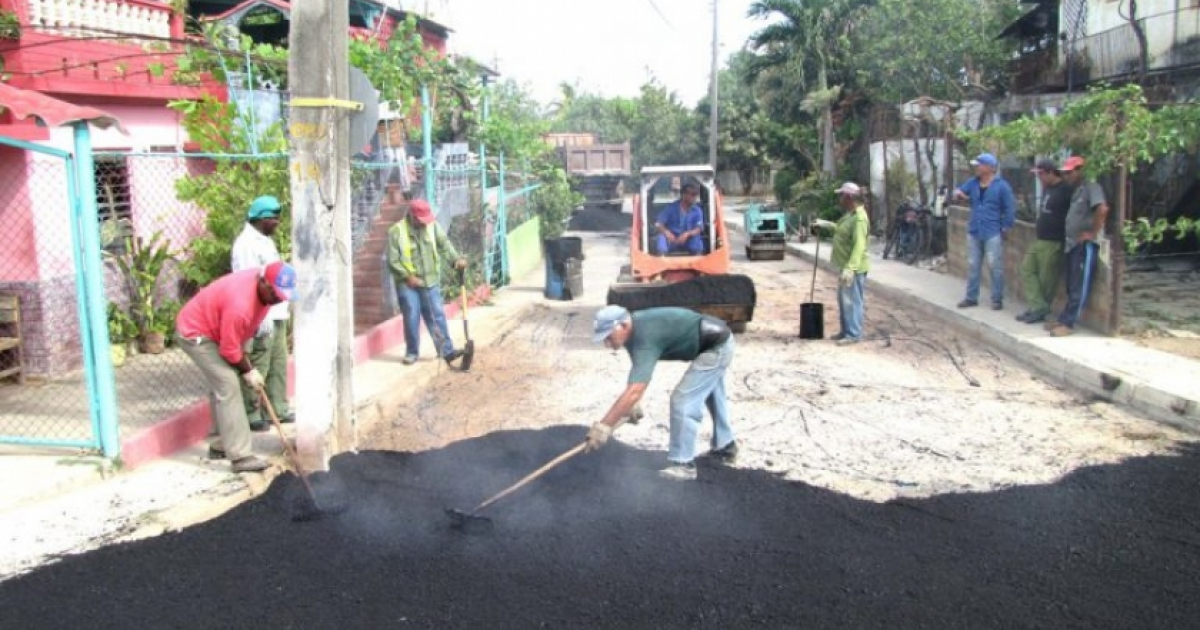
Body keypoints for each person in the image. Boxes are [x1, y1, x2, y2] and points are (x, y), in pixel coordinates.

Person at [585, 305, 737, 481]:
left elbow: (635, 389)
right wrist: (633, 403)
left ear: (623, 326)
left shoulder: (645, 336)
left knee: (683, 400)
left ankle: (684, 465)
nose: (607, 344)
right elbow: (639, 371)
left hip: (716, 346)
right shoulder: (633, 330)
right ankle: (726, 447)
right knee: (710, 392)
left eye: (609, 337)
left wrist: (604, 427)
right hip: (710, 340)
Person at [175, 261, 297, 473]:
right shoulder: (240, 305)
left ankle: (222, 445)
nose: (278, 299)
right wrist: (248, 371)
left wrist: (246, 364)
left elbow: (238, 338)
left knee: (229, 381)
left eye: (282, 295)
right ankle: (240, 457)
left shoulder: (259, 290)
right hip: (196, 334)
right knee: (228, 384)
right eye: (275, 293)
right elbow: (229, 350)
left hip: (218, 329)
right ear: (263, 283)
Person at [231, 195, 292, 431]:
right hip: (261, 313)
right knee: (260, 363)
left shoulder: (265, 240)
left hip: (277, 310)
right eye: (274, 219)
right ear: (262, 219)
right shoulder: (246, 244)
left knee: (278, 362)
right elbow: (250, 283)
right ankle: (252, 413)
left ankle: (278, 407)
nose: (278, 223)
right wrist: (261, 315)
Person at [386, 199, 467, 366]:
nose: (424, 223)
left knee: (437, 315)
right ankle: (412, 352)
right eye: (421, 219)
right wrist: (407, 276)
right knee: (411, 315)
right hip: (407, 284)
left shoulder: (432, 226)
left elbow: (444, 244)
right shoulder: (396, 231)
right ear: (412, 216)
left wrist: (456, 259)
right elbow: (392, 260)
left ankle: (446, 351)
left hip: (429, 280)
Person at [1047, 156, 1109, 337]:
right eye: (1065, 173)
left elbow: (1102, 209)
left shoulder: (1092, 187)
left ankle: (1069, 323)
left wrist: (1093, 233)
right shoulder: (1076, 190)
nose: (1067, 176)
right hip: (1072, 244)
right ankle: (1064, 318)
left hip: (1084, 245)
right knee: (1071, 283)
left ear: (1080, 170)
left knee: (1079, 285)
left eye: (1070, 172)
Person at [953, 152, 1016, 310]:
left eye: (979, 165)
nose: (976, 168)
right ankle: (971, 297)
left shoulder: (1001, 186)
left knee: (995, 265)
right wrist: (959, 194)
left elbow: (1010, 208)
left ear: (988, 167)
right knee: (973, 265)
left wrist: (1006, 227)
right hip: (975, 230)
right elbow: (959, 191)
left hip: (992, 231)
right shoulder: (973, 183)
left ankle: (997, 298)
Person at [1016, 159, 1073, 325]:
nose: (1039, 178)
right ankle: (1038, 306)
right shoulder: (1048, 189)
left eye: (1041, 174)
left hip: (1054, 240)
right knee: (1027, 268)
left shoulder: (1065, 191)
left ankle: (1040, 309)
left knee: (1046, 279)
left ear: (1050, 172)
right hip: (1041, 238)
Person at [829, 182, 870, 345]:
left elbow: (859, 245)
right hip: (846, 265)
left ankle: (853, 334)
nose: (839, 199)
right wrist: (828, 225)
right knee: (844, 300)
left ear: (848, 197)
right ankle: (845, 331)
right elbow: (842, 230)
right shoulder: (850, 215)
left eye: (841, 196)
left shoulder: (859, 218)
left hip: (854, 268)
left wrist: (850, 269)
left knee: (852, 301)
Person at [654, 183, 705, 255]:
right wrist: (667, 233)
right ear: (684, 195)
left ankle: (696, 261)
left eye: (696, 194)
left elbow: (699, 228)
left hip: (687, 241)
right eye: (693, 194)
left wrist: (687, 234)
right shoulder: (671, 208)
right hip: (672, 240)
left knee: (697, 240)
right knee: (661, 238)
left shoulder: (697, 210)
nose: (695, 197)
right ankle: (662, 260)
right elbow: (658, 223)